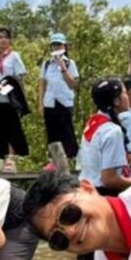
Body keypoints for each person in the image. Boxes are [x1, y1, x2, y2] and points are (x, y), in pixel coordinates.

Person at [77, 78, 131, 195]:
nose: (127, 97)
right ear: (116, 101)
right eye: (124, 93)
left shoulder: (93, 122)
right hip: (103, 194)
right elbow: (109, 179)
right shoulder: (112, 131)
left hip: (87, 189)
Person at [0, 27, 30, 173]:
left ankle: (11, 159)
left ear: (10, 40)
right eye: (0, 37)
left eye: (6, 37)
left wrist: (17, 92)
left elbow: (20, 76)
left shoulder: (14, 56)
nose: (3, 40)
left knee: (13, 129)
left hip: (10, 97)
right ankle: (0, 159)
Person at [39, 32, 81, 165]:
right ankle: (54, 160)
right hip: (50, 102)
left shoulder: (70, 64)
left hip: (65, 102)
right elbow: (42, 84)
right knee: (52, 132)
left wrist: (63, 68)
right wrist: (40, 103)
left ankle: (71, 158)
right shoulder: (46, 64)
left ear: (65, 47)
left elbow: (73, 84)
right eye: (54, 45)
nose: (56, 48)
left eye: (59, 45)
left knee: (67, 131)